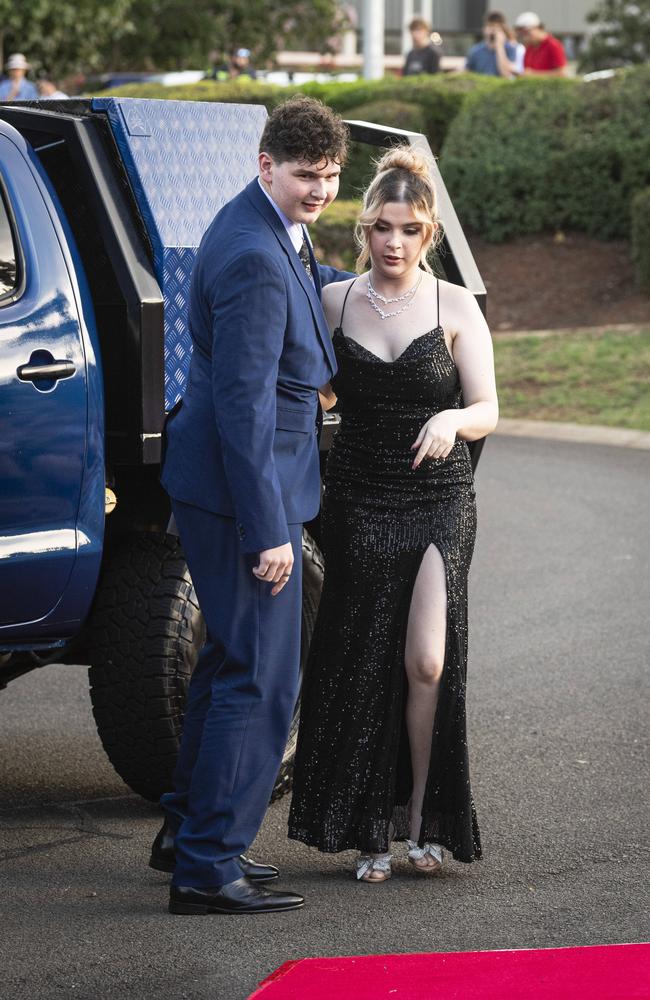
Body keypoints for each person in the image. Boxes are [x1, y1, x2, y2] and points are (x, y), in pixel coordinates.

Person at [151, 96, 349, 916]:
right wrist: (270, 530)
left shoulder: (270, 231)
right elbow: (243, 406)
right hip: (243, 496)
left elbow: (308, 284)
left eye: (332, 176)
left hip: (231, 485)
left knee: (228, 664)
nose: (320, 191)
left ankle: (187, 836)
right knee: (262, 677)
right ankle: (208, 866)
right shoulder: (252, 255)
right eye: (307, 175)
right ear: (265, 164)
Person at [288, 147, 498, 882]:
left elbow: (489, 408)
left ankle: (422, 818)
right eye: (382, 227)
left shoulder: (453, 305)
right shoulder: (334, 301)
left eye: (409, 229)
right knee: (364, 655)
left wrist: (452, 420)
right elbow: (305, 387)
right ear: (364, 230)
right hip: (358, 497)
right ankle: (373, 827)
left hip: (439, 498)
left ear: (429, 232)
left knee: (427, 660)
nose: (394, 243)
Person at [466, 10, 519, 78]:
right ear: (484, 29)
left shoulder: (510, 49)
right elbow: (468, 73)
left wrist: (499, 46)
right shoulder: (475, 51)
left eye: (497, 27)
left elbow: (507, 75)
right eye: (490, 26)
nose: (493, 30)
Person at [515, 11, 568, 76]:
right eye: (522, 34)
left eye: (527, 33)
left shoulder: (553, 45)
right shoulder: (529, 48)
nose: (525, 37)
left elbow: (561, 73)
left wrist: (534, 74)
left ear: (538, 28)